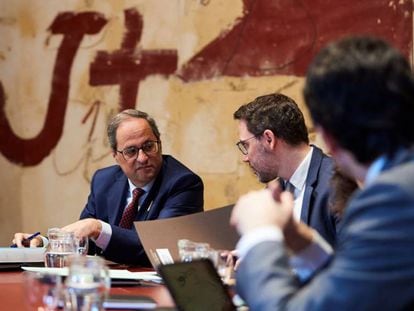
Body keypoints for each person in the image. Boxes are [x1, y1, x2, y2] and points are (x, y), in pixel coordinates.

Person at [230, 35, 414, 310]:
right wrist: (302, 243)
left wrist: (260, 236)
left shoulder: (394, 198)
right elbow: (353, 288)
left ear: (327, 134)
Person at [13, 109, 204, 266]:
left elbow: (157, 248)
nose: (143, 157)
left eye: (148, 146)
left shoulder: (183, 183)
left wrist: (97, 227)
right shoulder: (104, 181)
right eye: (131, 151)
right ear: (116, 155)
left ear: (159, 143)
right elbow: (85, 240)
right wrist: (43, 242)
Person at [233, 93, 337, 246]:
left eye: (246, 145)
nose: (245, 157)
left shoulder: (338, 183)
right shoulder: (276, 189)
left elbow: (359, 264)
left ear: (269, 139)